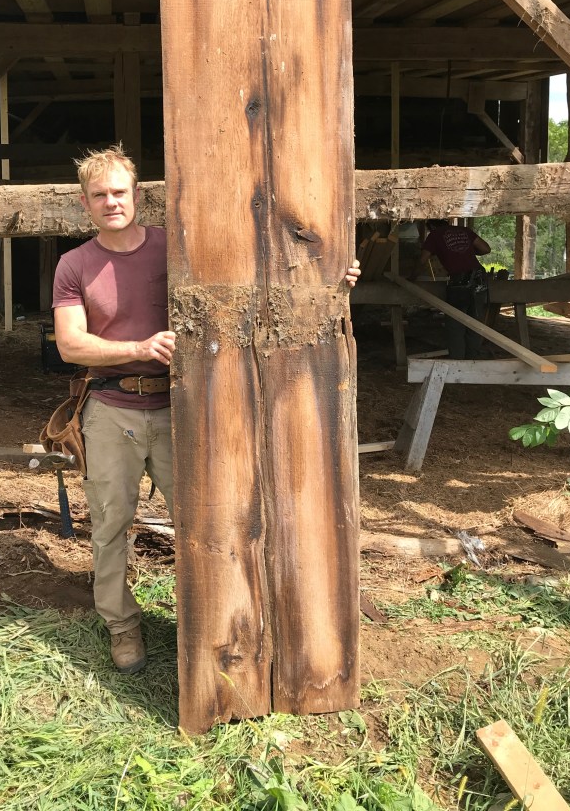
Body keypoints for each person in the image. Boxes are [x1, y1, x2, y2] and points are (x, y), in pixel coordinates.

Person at [53, 145, 361, 674]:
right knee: (109, 524)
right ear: (85, 203)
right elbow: (69, 345)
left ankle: (215, 623)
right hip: (110, 408)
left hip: (186, 406)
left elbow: (253, 276)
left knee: (206, 520)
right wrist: (138, 347)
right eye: (99, 195)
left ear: (138, 195)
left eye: (119, 192)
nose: (111, 202)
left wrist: (326, 276)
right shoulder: (75, 264)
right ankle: (122, 627)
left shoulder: (175, 248)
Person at [413, 219, 491, 359]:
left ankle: (458, 363)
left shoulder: (435, 234)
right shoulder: (464, 231)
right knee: (475, 323)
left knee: (455, 325)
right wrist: (466, 251)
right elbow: (486, 249)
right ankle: (473, 362)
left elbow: (422, 260)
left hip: (460, 282)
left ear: (431, 226)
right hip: (479, 279)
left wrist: (411, 277)